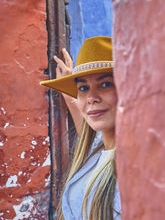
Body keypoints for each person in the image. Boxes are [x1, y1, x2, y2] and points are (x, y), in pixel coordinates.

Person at [40, 36, 121, 220]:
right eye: (83, 88)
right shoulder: (98, 149)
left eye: (105, 84)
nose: (91, 97)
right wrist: (69, 95)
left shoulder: (135, 170)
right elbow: (86, 124)